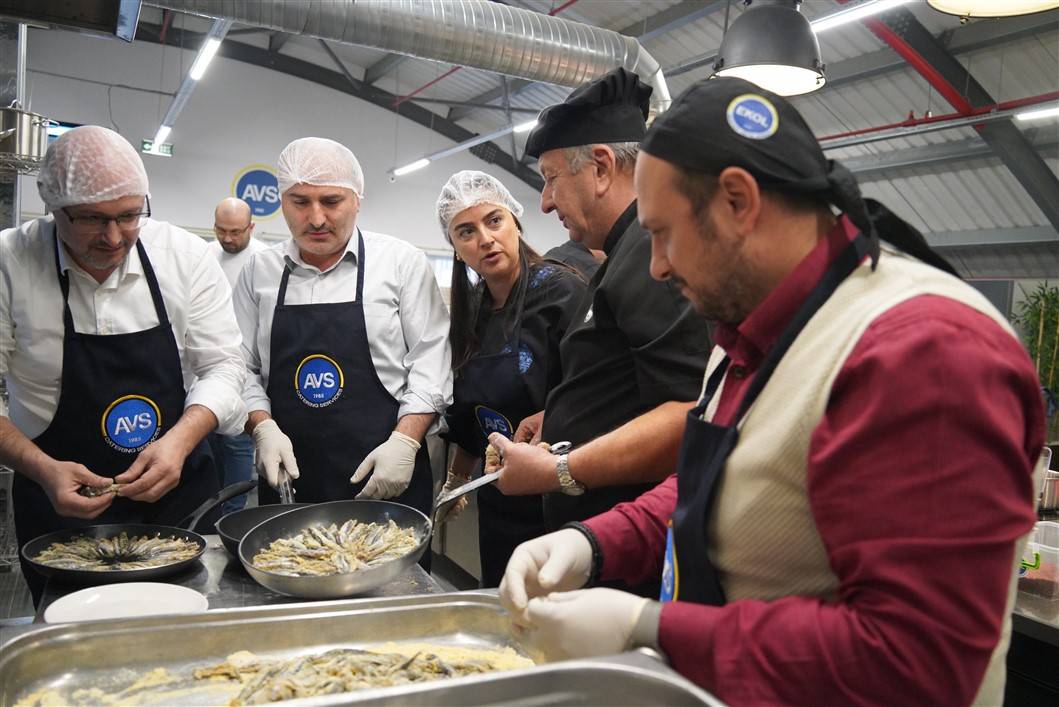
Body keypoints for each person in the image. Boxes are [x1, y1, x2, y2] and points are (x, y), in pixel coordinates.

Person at [498, 78, 1045, 706]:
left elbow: (916, 662)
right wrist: (595, 543)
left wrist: (648, 627)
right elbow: (729, 480)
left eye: (665, 233)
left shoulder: (922, 353)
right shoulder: (753, 333)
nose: (657, 267)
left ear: (738, 201)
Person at [0, 126, 246, 602]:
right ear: (53, 206)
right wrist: (43, 469)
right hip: (58, 508)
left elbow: (223, 367)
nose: (114, 237)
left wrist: (180, 441)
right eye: (92, 218)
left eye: (130, 215)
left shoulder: (184, 257)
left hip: (178, 501)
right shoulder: (11, 263)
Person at [489, 68, 713, 546]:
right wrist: (561, 415)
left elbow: (688, 412)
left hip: (632, 543)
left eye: (551, 179)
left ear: (602, 167)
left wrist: (559, 470)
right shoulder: (621, 253)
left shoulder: (652, 256)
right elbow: (626, 388)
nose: (546, 204)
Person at [233, 137, 451, 545]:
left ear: (357, 200)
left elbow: (431, 361)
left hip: (385, 479)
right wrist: (261, 428)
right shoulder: (258, 271)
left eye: (331, 201)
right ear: (281, 201)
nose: (316, 218)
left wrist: (406, 441)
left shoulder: (400, 263)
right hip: (290, 486)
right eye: (300, 202)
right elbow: (240, 367)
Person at [435, 170, 586, 587]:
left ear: (515, 223)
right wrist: (458, 480)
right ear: (456, 248)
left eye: (494, 221)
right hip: (498, 491)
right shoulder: (471, 312)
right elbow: (469, 413)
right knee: (504, 603)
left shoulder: (561, 293)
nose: (485, 238)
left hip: (560, 489)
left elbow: (593, 392)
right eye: (466, 231)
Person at [207, 197, 266, 513]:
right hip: (205, 365)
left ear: (251, 228)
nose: (228, 238)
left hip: (244, 367)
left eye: (236, 232)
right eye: (221, 230)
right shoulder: (205, 254)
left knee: (236, 440)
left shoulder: (263, 260)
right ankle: (210, 508)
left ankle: (232, 512)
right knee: (210, 441)